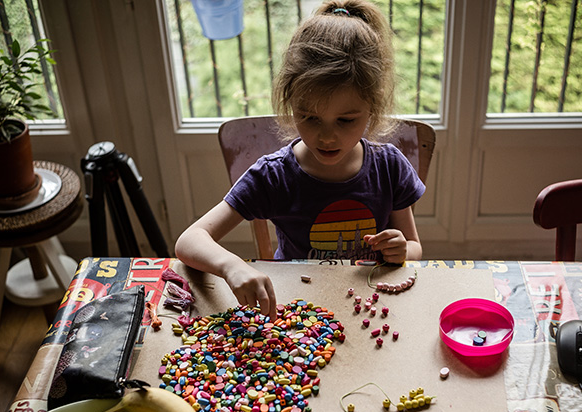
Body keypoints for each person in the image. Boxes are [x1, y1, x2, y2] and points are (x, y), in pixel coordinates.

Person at [175, 0, 425, 318]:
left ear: (372, 109)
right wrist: (232, 266)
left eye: (346, 120)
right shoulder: (273, 176)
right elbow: (189, 240)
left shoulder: (388, 167)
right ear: (291, 104)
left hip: (371, 309)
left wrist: (401, 250)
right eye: (309, 117)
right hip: (298, 311)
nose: (327, 137)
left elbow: (415, 248)